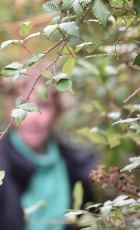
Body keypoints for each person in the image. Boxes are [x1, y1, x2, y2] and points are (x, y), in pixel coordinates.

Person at [0, 64, 97, 230]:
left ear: (58, 111)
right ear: (9, 109)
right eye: (22, 105)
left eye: (43, 105)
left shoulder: (78, 165)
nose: (32, 117)